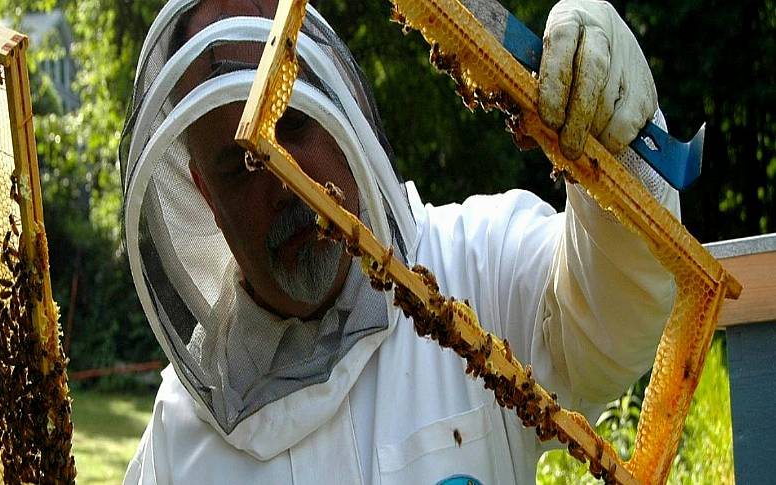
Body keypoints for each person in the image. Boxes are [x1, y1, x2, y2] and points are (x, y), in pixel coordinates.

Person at [118, 0, 678, 483]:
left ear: (341, 106)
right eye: (241, 164)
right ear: (207, 196)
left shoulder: (478, 265)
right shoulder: (175, 447)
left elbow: (614, 317)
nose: (282, 180)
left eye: (292, 123)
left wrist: (623, 148)